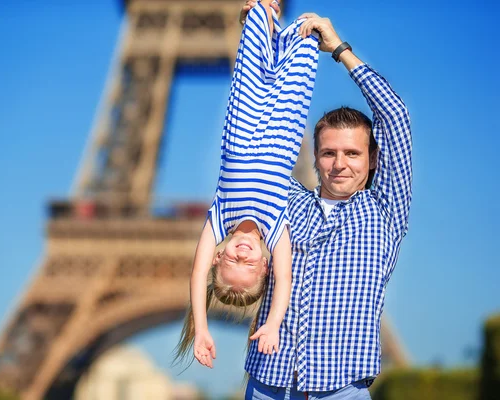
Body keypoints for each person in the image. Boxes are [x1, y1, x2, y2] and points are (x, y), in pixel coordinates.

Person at [239, 5, 413, 400]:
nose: (339, 165)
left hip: (341, 389)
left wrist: (339, 50)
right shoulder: (286, 200)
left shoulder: (385, 211)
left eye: (352, 154)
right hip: (269, 384)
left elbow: (396, 117)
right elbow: (253, 135)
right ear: (314, 157)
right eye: (329, 153)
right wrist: (258, 36)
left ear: (373, 160)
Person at [173, 0, 320, 368]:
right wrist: (271, 324)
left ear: (217, 257)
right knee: (304, 45)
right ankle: (280, 28)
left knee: (251, 66)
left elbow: (195, 275)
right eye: (249, 264)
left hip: (242, 126)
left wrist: (202, 328)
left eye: (231, 261)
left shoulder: (219, 220)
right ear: (264, 267)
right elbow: (285, 281)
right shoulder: (276, 232)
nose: (241, 255)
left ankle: (256, 20)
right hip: (282, 132)